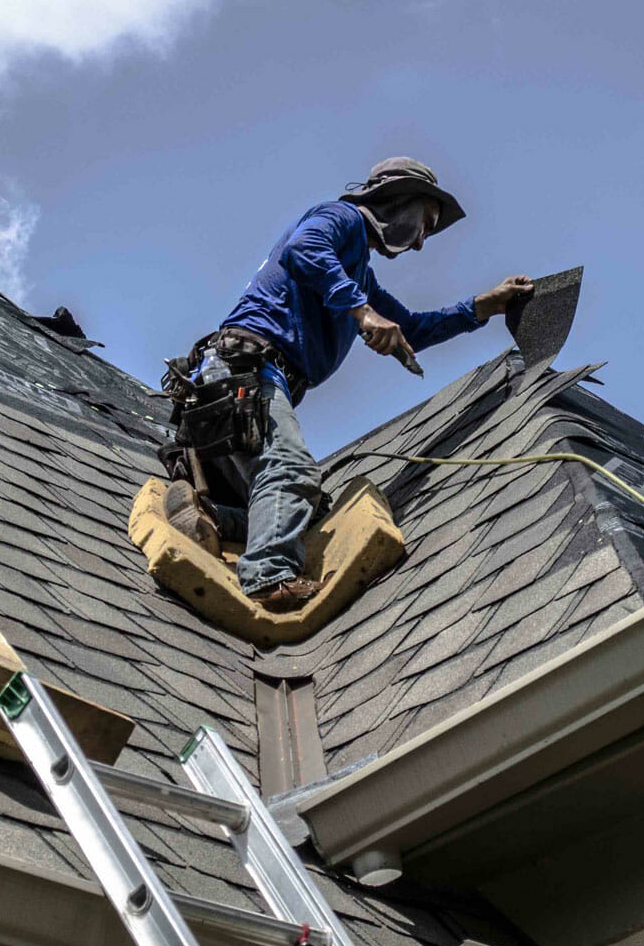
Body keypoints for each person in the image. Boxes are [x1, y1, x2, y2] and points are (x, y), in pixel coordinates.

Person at [170, 157, 534, 612]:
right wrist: (361, 312)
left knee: (302, 513)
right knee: (291, 473)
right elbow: (303, 250)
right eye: (424, 224)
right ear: (397, 202)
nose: (421, 243)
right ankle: (267, 578)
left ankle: (207, 519)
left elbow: (410, 328)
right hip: (248, 371)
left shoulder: (358, 272)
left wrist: (482, 307)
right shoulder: (339, 218)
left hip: (228, 387)